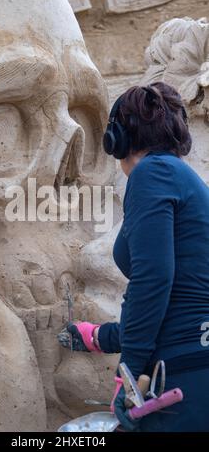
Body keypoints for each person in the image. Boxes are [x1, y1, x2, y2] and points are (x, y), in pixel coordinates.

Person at [58, 82, 209, 432]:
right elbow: (176, 299)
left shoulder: (151, 173)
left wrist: (127, 374)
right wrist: (101, 336)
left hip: (185, 378)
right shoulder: (183, 179)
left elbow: (154, 280)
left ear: (117, 139)